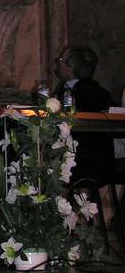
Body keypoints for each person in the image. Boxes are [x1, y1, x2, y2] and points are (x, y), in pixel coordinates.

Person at [53, 45, 114, 189]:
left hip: (81, 163)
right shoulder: (97, 92)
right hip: (93, 163)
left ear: (70, 67)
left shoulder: (82, 93)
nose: (57, 62)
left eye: (60, 59)